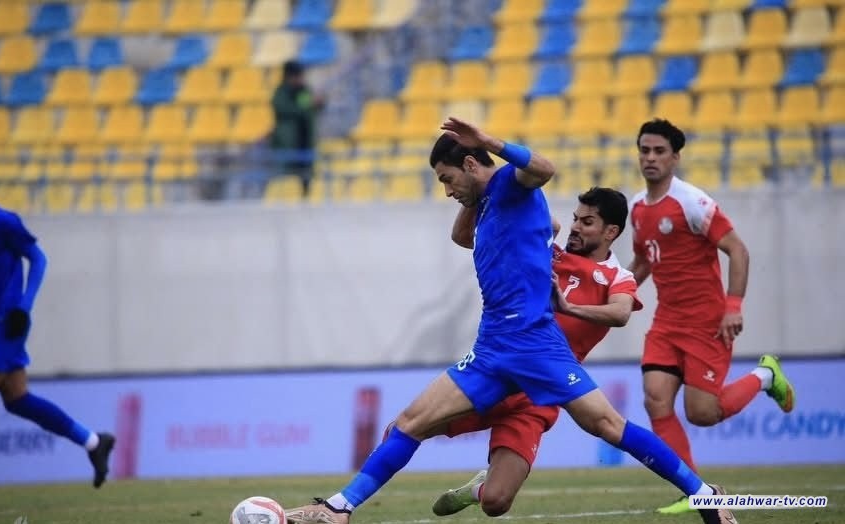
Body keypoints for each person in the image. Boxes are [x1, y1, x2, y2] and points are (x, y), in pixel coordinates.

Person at [283, 118, 736, 524]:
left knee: (607, 426)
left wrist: (486, 145)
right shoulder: (488, 205)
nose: (446, 190)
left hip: (536, 344)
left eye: (447, 179)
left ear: (470, 163)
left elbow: (544, 169)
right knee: (409, 422)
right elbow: (461, 235)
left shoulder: (511, 187)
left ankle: (704, 495)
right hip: (494, 345)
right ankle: (339, 509)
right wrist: (471, 187)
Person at [428, 187, 643, 517]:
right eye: (575, 218)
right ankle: (342, 504)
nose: (576, 227)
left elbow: (620, 314)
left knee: (495, 503)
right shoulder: (546, 251)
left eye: (587, 222)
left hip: (538, 397)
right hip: (497, 373)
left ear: (610, 232)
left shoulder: (618, 277)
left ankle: (477, 489)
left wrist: (569, 307)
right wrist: (482, 191)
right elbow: (464, 237)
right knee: (405, 429)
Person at [627, 118, 795, 514]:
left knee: (702, 413)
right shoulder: (636, 208)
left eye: (659, 151)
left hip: (707, 322)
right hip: (667, 322)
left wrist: (733, 306)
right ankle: (697, 491)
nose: (650, 158)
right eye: (645, 150)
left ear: (675, 158)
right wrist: (615, 292)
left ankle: (766, 375)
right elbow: (642, 261)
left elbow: (738, 250)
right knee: (655, 401)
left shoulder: (692, 203)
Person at [0, 202, 115, 488]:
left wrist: (24, 307)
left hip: (5, 325)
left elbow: (38, 258)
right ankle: (94, 442)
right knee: (17, 399)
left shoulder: (2, 222)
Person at [270, 60, 325, 198]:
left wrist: (319, 103)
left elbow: (309, 108)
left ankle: (305, 198)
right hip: (288, 142)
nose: (301, 78)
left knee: (306, 175)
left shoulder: (303, 91)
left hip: (305, 140)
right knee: (285, 175)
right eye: (298, 75)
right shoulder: (281, 92)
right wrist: (308, 105)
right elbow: (287, 109)